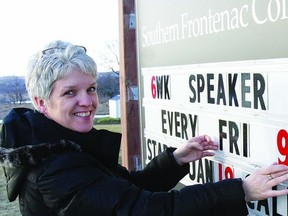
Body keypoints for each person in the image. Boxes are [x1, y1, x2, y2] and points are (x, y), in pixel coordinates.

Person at [0, 40, 288, 216]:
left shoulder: (58, 146)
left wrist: (175, 159)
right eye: (69, 93)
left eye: (90, 88)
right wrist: (241, 189)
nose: (87, 101)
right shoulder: (55, 169)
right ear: (40, 102)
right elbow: (143, 210)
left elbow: (125, 190)